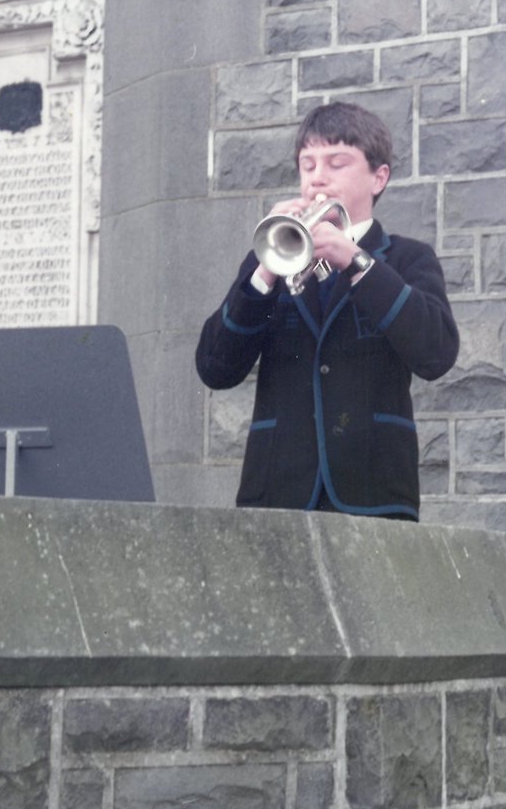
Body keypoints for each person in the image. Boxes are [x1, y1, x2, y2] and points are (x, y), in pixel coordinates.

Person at [195, 102, 459, 518]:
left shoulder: (407, 258)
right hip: (277, 494)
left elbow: (437, 353)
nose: (317, 177)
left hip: (374, 494)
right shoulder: (271, 261)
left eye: (336, 163)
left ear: (379, 177)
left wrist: (357, 262)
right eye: (308, 164)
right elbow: (215, 368)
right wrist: (266, 268)